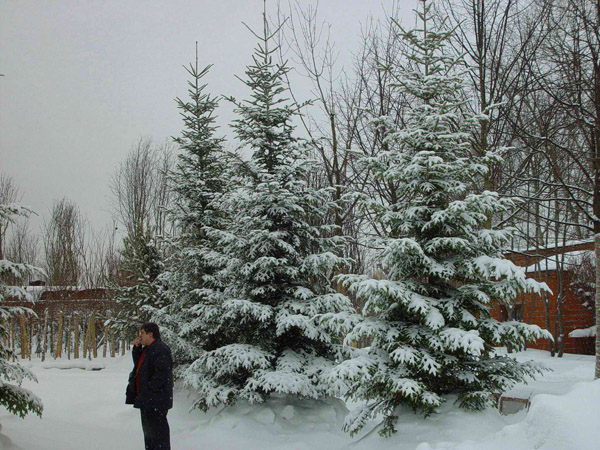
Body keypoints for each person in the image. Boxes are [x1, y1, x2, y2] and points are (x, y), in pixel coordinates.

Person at [126, 323, 173, 450]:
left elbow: (162, 374)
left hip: (156, 401)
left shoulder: (161, 349)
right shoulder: (148, 349)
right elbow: (140, 366)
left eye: (142, 333)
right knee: (150, 436)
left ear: (150, 334)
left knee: (158, 436)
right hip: (147, 400)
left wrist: (149, 389)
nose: (140, 336)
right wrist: (137, 349)